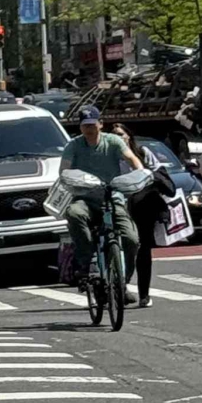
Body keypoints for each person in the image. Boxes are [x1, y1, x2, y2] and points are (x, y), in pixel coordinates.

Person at [61, 106, 145, 301]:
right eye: (85, 126)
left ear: (100, 124)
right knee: (74, 213)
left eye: (92, 125)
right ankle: (87, 263)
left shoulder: (113, 141)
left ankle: (122, 283)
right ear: (80, 127)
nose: (89, 129)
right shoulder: (73, 146)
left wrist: (141, 173)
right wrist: (73, 180)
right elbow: (64, 171)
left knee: (131, 239)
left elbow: (132, 159)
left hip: (112, 197)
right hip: (85, 199)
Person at [112, 123, 163, 309]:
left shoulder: (142, 153)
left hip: (142, 207)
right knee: (118, 247)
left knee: (143, 250)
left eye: (121, 134)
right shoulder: (109, 156)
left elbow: (159, 174)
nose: (118, 138)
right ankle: (120, 287)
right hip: (118, 206)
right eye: (114, 135)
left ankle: (144, 295)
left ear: (129, 136)